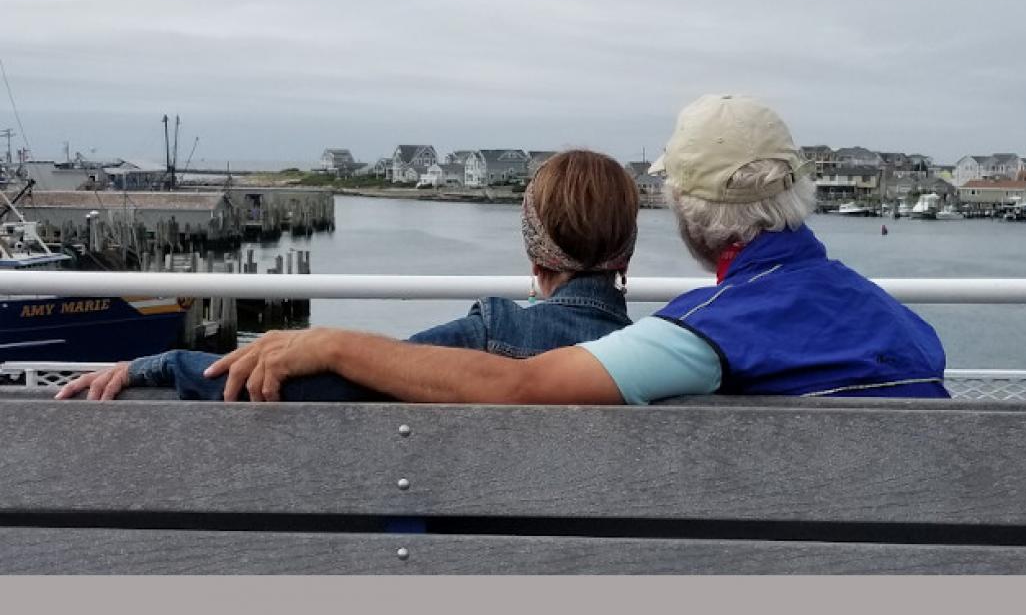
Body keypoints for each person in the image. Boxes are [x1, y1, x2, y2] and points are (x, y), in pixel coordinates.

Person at [69, 94, 948, 405]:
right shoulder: (904, 327)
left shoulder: (708, 336)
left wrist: (329, 341)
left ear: (683, 210)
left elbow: (523, 382)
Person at [58, 149, 640, 401]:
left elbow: (281, 386)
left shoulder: (486, 338)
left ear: (535, 258)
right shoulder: (668, 351)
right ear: (626, 255)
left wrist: (152, 366)